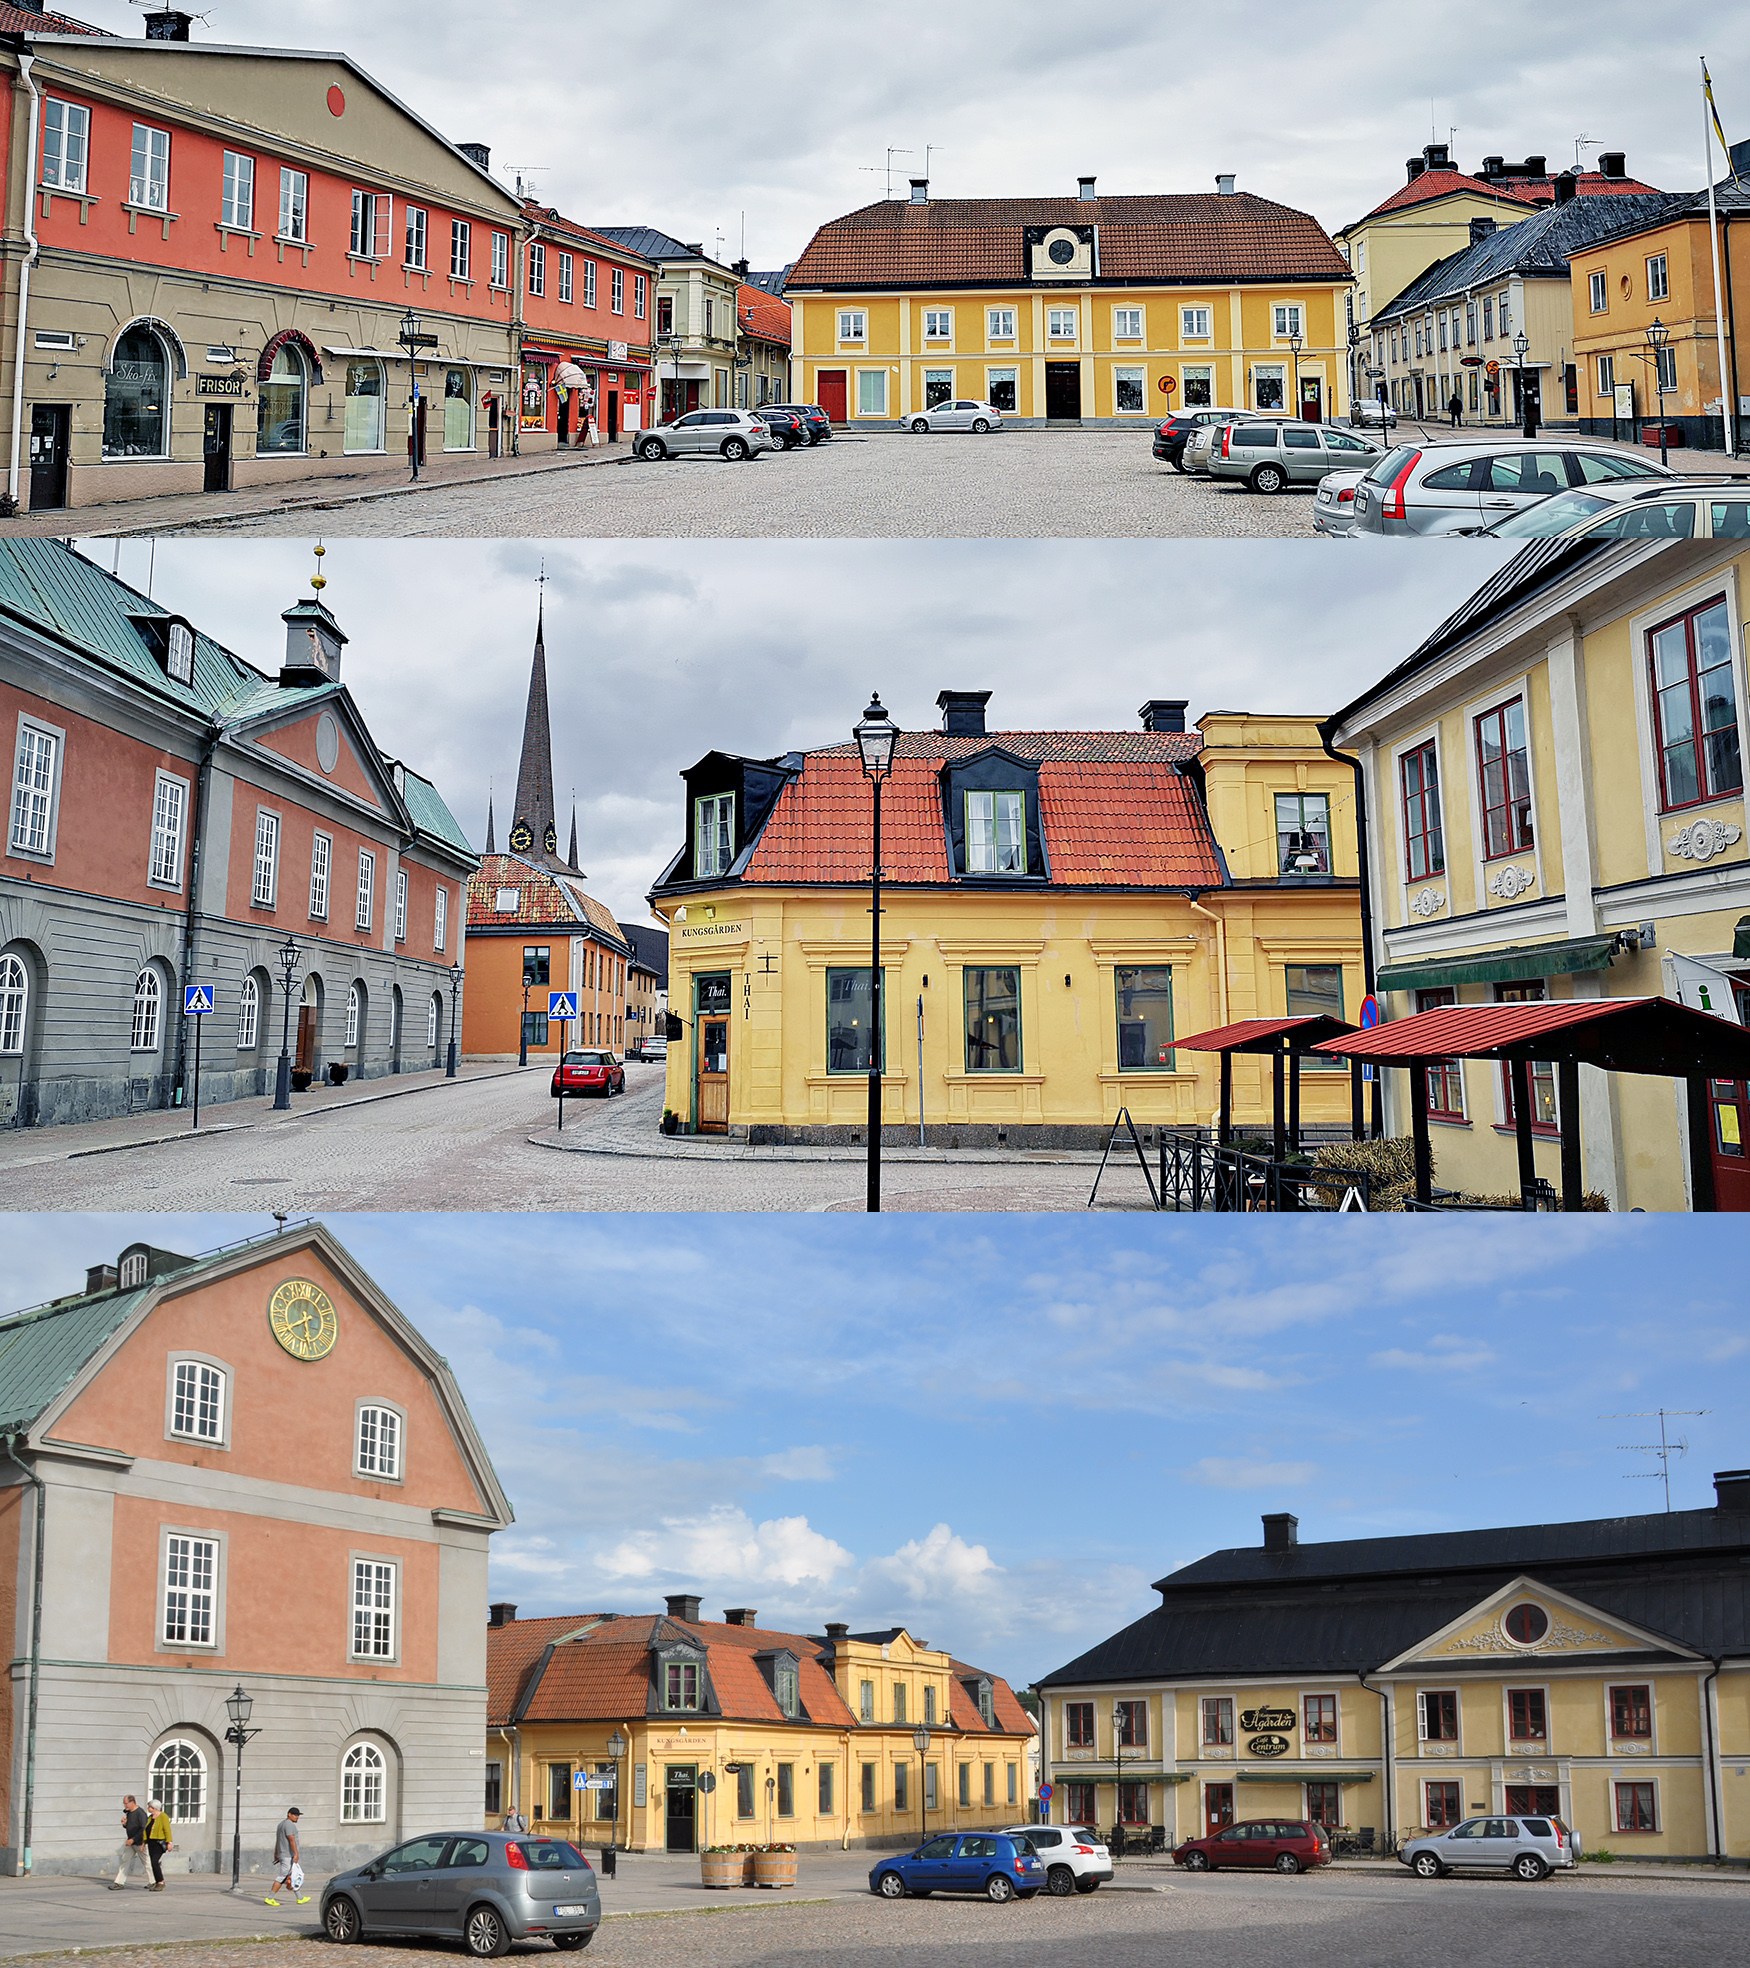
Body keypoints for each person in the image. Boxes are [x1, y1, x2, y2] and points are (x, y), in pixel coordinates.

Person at [265, 1806, 309, 1906]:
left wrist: (276, 1853)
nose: (297, 1817)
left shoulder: (281, 1824)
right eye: (295, 1815)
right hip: (288, 1855)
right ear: (289, 1814)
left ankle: (300, 1898)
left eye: (298, 1815)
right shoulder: (289, 1825)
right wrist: (296, 1854)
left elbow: (278, 1840)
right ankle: (269, 1898)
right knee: (283, 1876)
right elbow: (291, 1839)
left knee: (292, 1876)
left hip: (282, 1853)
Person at [112, 1795, 149, 1888]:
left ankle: (155, 1881)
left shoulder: (140, 1813)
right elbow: (130, 1826)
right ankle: (119, 1882)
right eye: (124, 1803)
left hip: (139, 1842)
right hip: (131, 1842)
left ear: (132, 1802)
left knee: (147, 1862)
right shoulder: (129, 1813)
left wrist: (133, 1839)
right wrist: (125, 1824)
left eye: (126, 1803)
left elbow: (143, 1829)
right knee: (125, 1860)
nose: (125, 1805)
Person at [145, 1800, 173, 1890]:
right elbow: (145, 1831)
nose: (148, 1808)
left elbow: (167, 1830)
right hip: (151, 1843)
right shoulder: (150, 1818)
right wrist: (143, 1843)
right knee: (153, 1863)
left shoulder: (163, 1816)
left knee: (154, 1862)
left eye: (149, 1807)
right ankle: (157, 1882)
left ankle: (160, 1882)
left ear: (154, 1808)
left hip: (159, 1843)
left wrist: (169, 1842)